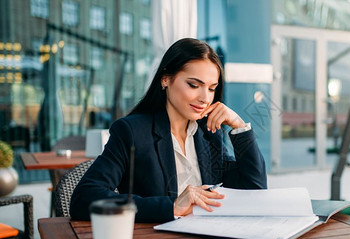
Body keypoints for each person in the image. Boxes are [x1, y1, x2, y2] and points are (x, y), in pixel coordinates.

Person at [70, 38, 267, 223]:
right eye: (194, 85)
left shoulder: (209, 134)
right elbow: (84, 198)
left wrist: (240, 127)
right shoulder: (131, 131)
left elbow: (254, 189)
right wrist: (171, 206)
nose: (205, 98)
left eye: (211, 88)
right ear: (166, 79)